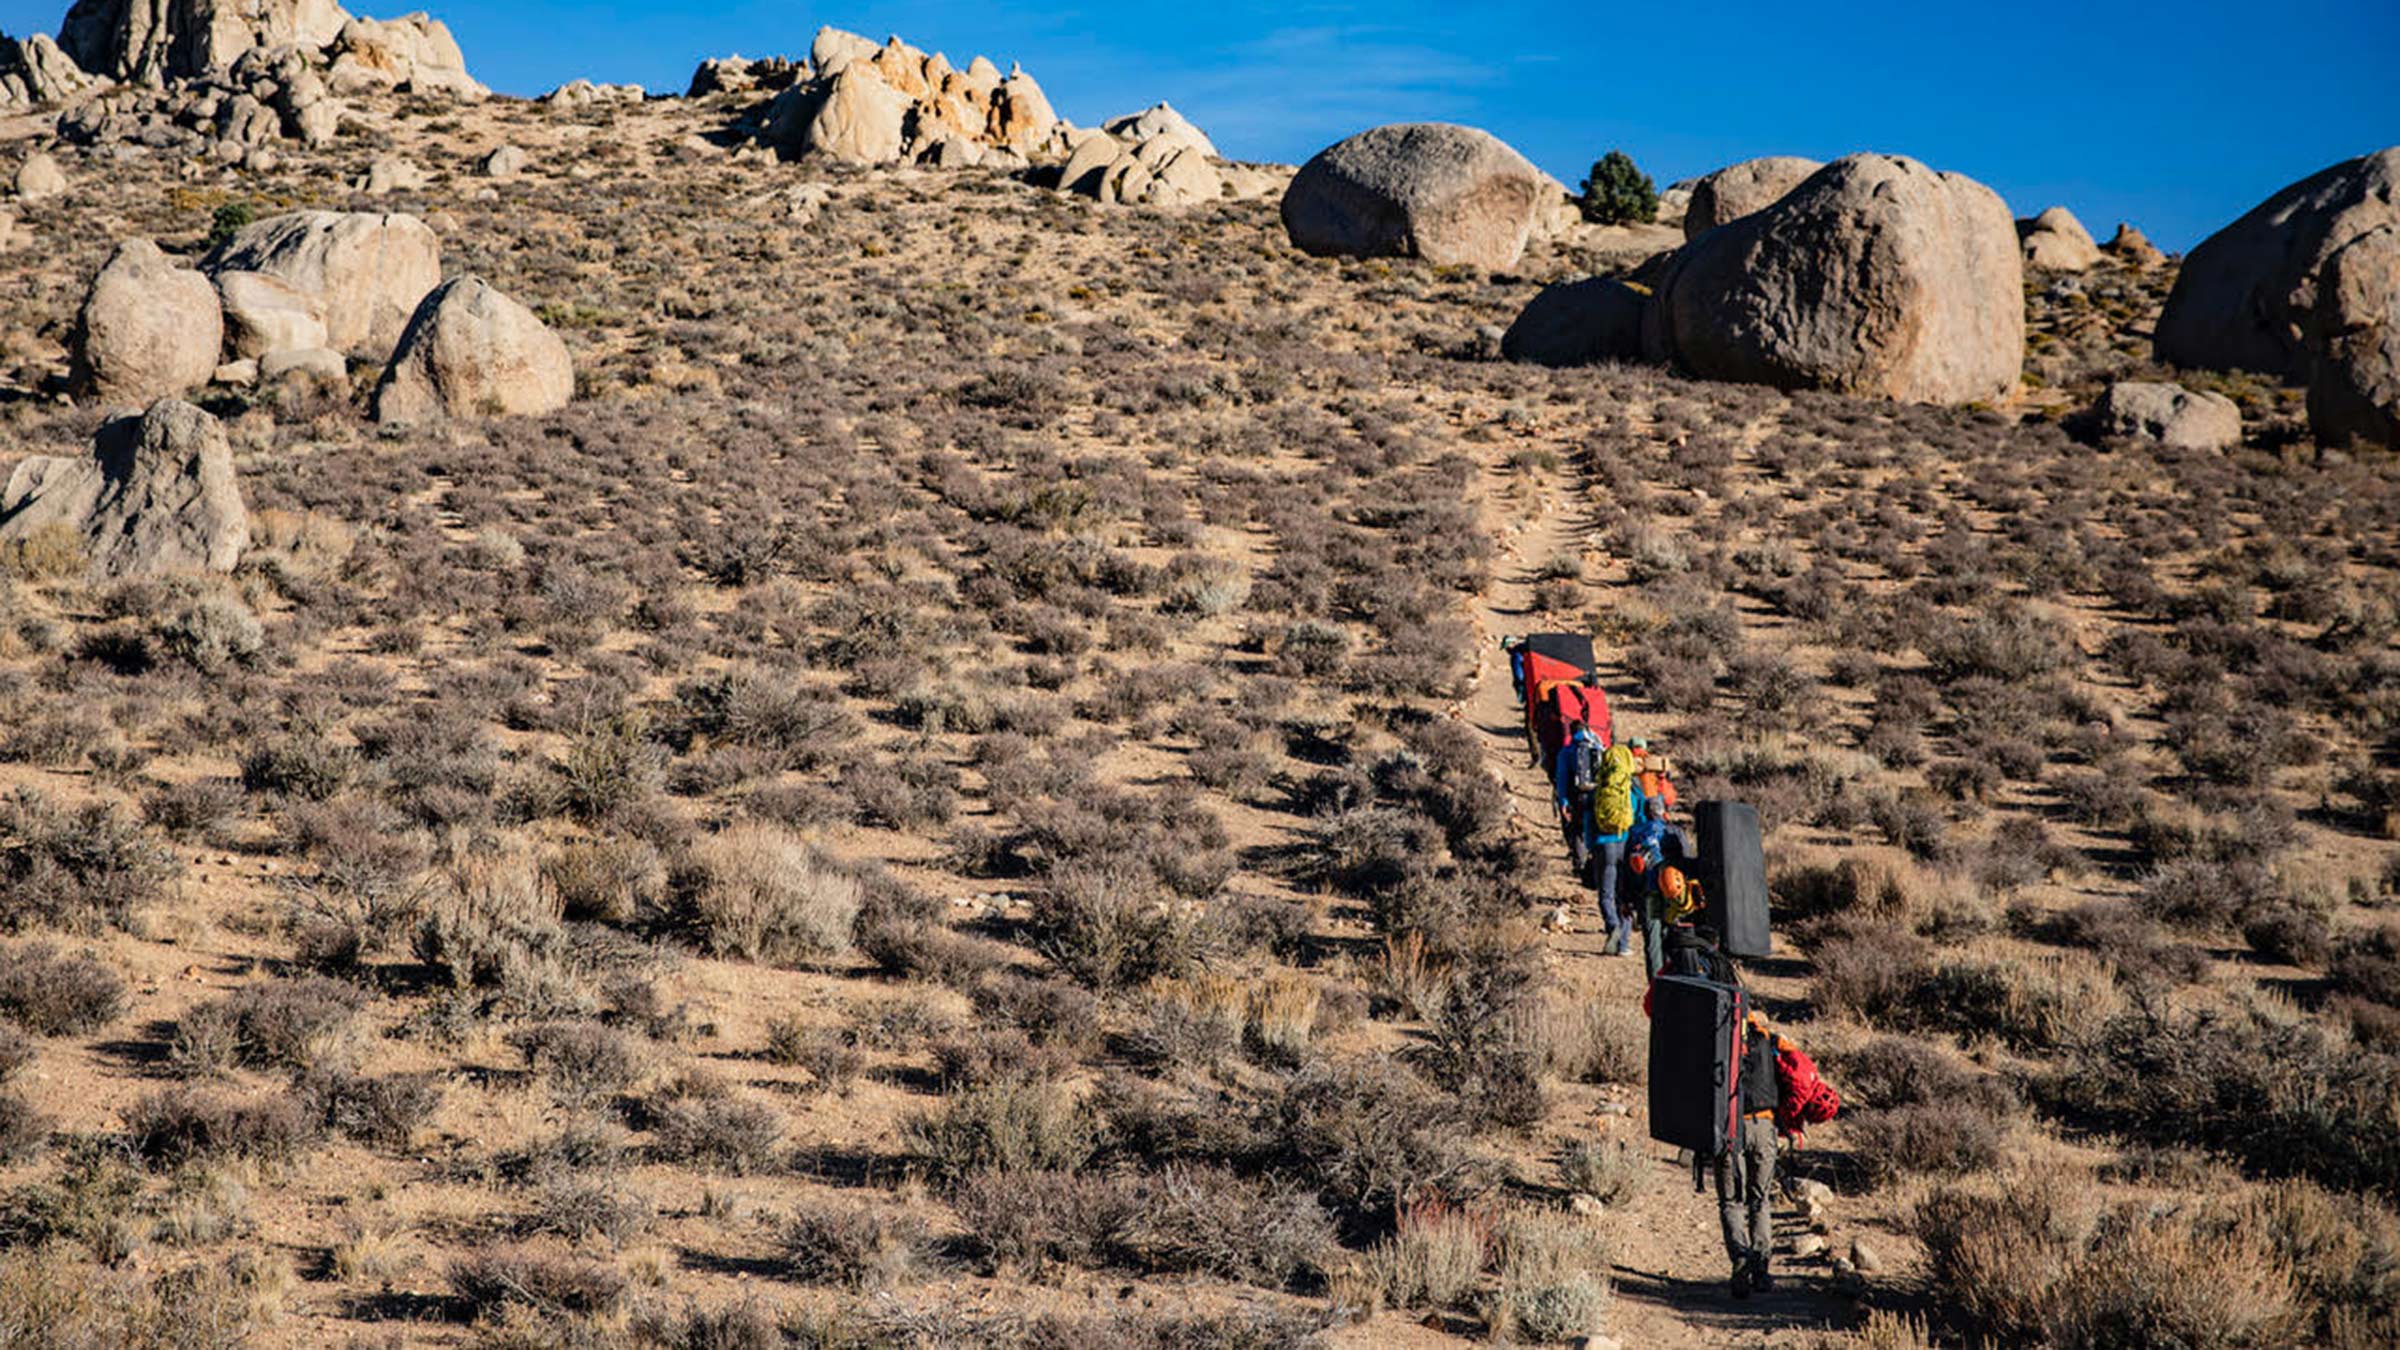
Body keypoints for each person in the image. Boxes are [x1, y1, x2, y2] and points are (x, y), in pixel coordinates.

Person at [1721, 1010, 1790, 1299]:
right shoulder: (1770, 1040)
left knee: (1731, 1201)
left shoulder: (1719, 1041)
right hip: (1764, 1126)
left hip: (1730, 1128)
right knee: (1760, 1200)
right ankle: (1761, 1270)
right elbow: (1795, 1068)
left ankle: (1740, 1258)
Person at [1588, 743, 1641, 955]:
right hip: (1626, 845)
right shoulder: (1632, 789)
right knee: (1624, 895)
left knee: (1606, 894)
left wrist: (1590, 847)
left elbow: (1588, 822)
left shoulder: (1600, 788)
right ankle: (1624, 945)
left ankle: (1612, 926)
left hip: (1604, 845)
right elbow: (1641, 819)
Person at [1551, 719, 1602, 877]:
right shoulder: (1598, 747)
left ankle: (1580, 864)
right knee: (1595, 828)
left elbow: (1562, 780)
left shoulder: (1567, 752)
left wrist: (1563, 802)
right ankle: (1596, 864)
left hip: (1577, 796)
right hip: (1597, 794)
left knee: (1578, 830)